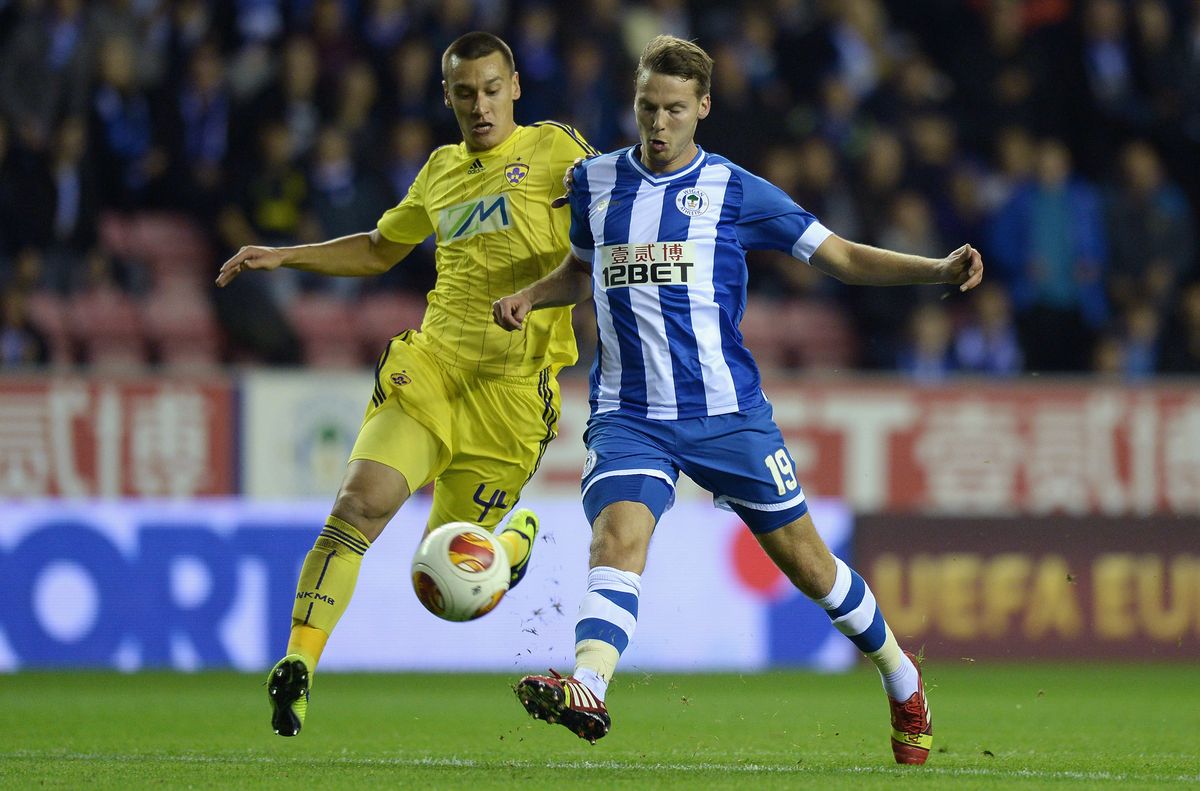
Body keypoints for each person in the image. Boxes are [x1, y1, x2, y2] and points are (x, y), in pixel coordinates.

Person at [492, 35, 983, 764]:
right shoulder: (592, 183)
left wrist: (935, 269)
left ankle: (901, 677)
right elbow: (585, 268)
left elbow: (841, 257)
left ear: (704, 109)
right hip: (630, 414)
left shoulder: (735, 190)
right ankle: (590, 685)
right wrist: (535, 293)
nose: (658, 124)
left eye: (675, 111)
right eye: (647, 108)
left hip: (728, 417)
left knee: (814, 568)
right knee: (616, 540)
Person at [216, 31, 598, 738]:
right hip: (433, 368)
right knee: (357, 507)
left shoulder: (559, 152)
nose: (479, 106)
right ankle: (298, 664)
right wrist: (285, 256)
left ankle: (511, 548)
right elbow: (380, 246)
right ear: (446, 96)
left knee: (445, 587)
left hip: (513, 398)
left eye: (491, 89)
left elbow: (605, 236)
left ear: (514, 85)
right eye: (464, 93)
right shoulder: (440, 172)